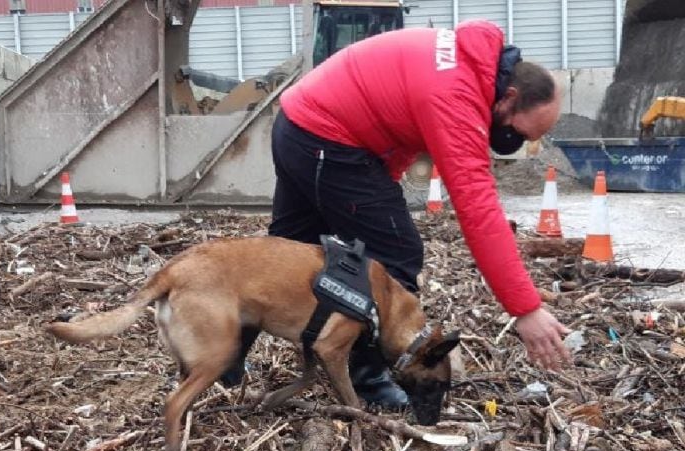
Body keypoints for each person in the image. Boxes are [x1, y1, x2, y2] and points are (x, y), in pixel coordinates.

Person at [219, 19, 572, 409]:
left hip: (300, 124)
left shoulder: (464, 65)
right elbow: (478, 208)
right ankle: (369, 379)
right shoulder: (456, 95)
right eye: (519, 133)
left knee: (284, 250)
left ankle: (223, 359)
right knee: (396, 255)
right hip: (328, 138)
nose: (515, 143)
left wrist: (380, 188)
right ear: (508, 98)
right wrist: (524, 309)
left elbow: (399, 125)